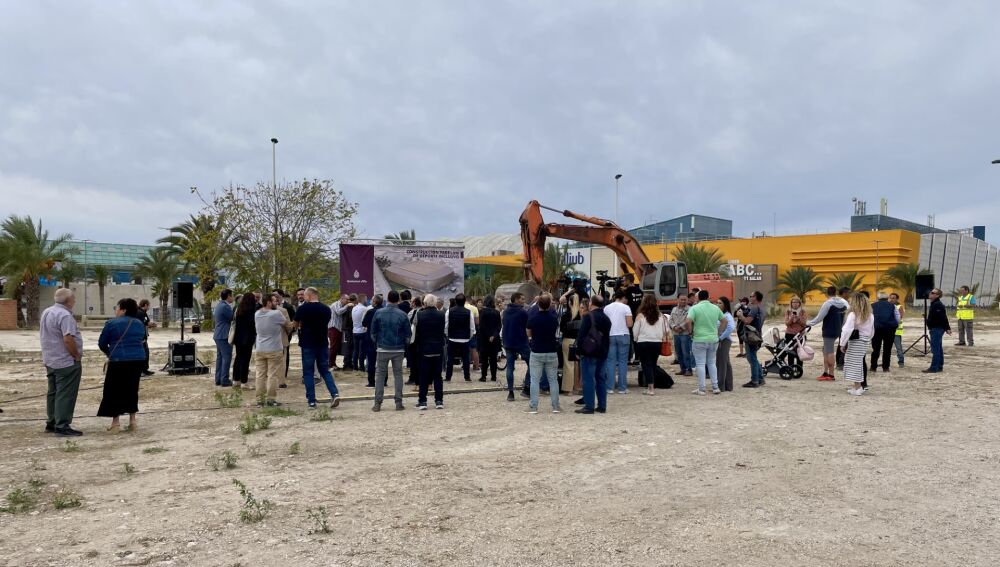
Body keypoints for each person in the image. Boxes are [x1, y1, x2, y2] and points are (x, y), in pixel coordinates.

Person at [97, 298, 148, 432]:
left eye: (117, 308)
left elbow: (102, 343)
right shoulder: (139, 324)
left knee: (114, 390)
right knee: (132, 389)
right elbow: (143, 339)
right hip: (137, 360)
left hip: (118, 360)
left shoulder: (111, 323)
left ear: (123, 310)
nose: (116, 310)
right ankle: (132, 421)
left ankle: (116, 423)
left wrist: (110, 354)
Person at [39, 288, 84, 436]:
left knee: (53, 392)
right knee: (66, 393)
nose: (75, 301)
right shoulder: (65, 315)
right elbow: (68, 338)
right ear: (68, 301)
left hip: (50, 359)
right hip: (65, 361)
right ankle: (62, 425)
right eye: (74, 299)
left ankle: (51, 422)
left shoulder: (47, 311)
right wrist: (76, 355)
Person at [294, 287, 342, 409]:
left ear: (309, 296)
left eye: (304, 296)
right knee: (325, 370)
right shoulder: (326, 309)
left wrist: (301, 325)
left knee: (308, 373)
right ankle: (334, 393)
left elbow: (296, 324)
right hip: (322, 343)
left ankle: (311, 401)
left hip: (307, 343)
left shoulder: (302, 308)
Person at [370, 290, 412, 412]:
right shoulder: (402, 314)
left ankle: (377, 403)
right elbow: (408, 335)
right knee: (398, 375)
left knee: (380, 376)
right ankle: (398, 403)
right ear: (398, 299)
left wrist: (377, 343)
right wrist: (404, 345)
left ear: (387, 299)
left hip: (382, 348)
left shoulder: (378, 312)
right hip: (398, 349)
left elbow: (373, 332)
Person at [255, 293, 294, 406]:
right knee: (272, 375)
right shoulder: (276, 313)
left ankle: (259, 400)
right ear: (268, 302)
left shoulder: (257, 314)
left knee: (260, 375)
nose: (276, 303)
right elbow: (288, 326)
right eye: (274, 301)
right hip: (274, 348)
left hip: (260, 348)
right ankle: (271, 399)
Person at [574, 295, 611, 414]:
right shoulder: (606, 318)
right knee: (601, 379)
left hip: (589, 352)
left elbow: (581, 335)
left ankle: (589, 406)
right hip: (603, 352)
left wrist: (579, 351)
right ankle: (602, 406)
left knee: (589, 379)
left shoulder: (588, 317)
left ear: (591, 303)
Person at [525, 293, 561, 414]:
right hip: (551, 350)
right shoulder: (553, 318)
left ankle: (533, 406)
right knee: (553, 380)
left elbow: (529, 333)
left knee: (534, 380)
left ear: (538, 304)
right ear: (549, 304)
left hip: (537, 351)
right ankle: (556, 406)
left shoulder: (533, 318)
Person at [686, 289, 725, 395]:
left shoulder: (694, 308)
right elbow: (724, 321)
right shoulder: (715, 308)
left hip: (699, 339)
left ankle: (702, 388)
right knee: (712, 363)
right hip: (713, 339)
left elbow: (688, 321)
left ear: (698, 298)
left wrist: (690, 332)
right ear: (708, 297)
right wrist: (718, 332)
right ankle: (715, 387)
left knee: (700, 364)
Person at [807, 287, 849, 381]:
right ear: (836, 293)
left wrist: (808, 324)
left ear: (826, 294)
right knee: (825, 350)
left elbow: (819, 318)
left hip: (828, 330)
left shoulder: (827, 304)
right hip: (838, 330)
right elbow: (845, 318)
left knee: (829, 352)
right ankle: (826, 372)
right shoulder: (843, 304)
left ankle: (831, 375)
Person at [413, 294, 446, 409]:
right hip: (438, 349)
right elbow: (444, 330)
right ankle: (439, 401)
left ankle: (423, 401)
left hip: (424, 349)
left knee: (423, 376)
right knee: (438, 376)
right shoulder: (442, 314)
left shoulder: (419, 314)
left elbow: (415, 330)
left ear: (425, 303)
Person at [632, 293, 669, 396]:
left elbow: (635, 331)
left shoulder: (640, 316)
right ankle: (652, 384)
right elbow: (666, 330)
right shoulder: (661, 316)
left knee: (646, 364)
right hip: (657, 342)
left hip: (643, 342)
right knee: (653, 364)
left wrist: (636, 339)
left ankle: (650, 387)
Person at [840, 292, 874, 396]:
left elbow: (847, 330)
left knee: (854, 364)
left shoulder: (853, 314)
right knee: (858, 364)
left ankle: (858, 387)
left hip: (855, 341)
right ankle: (857, 386)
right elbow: (872, 331)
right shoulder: (870, 315)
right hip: (864, 341)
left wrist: (842, 343)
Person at [559, 279, 587, 394]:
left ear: (569, 303)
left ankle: (568, 388)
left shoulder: (567, 315)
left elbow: (561, 329)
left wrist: (569, 291)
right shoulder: (582, 314)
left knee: (568, 364)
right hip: (579, 340)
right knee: (578, 365)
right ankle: (578, 386)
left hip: (568, 340)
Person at [502, 292, 531, 401]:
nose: (524, 301)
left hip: (508, 342)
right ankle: (527, 387)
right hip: (521, 342)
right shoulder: (522, 312)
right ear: (516, 300)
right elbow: (528, 326)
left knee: (510, 367)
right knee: (532, 363)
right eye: (522, 299)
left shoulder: (505, 312)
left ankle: (510, 393)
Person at [603, 290, 633, 394]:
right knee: (622, 362)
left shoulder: (607, 308)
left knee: (610, 362)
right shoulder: (626, 308)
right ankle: (622, 387)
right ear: (623, 298)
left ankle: (609, 387)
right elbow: (629, 324)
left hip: (610, 335)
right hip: (623, 334)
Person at [445, 293, 476, 382]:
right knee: (466, 358)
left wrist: (447, 335)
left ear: (455, 301)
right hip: (465, 338)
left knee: (450, 358)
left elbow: (446, 326)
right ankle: (467, 376)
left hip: (452, 338)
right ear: (464, 302)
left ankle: (448, 377)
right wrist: (469, 337)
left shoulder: (449, 311)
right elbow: (472, 327)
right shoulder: (468, 312)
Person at [231, 293, 258, 389]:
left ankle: (235, 380)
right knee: (246, 360)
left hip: (238, 338)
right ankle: (244, 382)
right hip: (247, 339)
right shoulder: (251, 310)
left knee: (238, 359)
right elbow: (252, 325)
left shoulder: (238, 309)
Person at [739, 291, 765, 388]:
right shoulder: (762, 308)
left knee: (751, 358)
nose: (750, 297)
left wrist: (740, 315)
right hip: (758, 335)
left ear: (756, 297)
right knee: (753, 357)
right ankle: (760, 378)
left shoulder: (754, 308)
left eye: (752, 296)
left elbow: (747, 321)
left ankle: (754, 380)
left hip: (751, 336)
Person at [870, 292, 900, 373]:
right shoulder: (893, 306)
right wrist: (895, 326)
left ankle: (873, 367)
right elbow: (897, 317)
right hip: (889, 329)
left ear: (878, 298)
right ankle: (885, 367)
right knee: (887, 349)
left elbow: (870, 318)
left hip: (876, 329)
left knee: (875, 349)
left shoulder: (872, 306)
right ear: (887, 298)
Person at [924, 288, 951, 373]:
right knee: (938, 348)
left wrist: (947, 328)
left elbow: (943, 317)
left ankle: (934, 367)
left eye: (932, 293)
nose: (930, 293)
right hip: (935, 328)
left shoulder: (937, 305)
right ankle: (939, 366)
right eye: (930, 292)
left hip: (937, 329)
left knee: (935, 349)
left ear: (937, 295)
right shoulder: (934, 304)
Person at [212, 289, 235, 387]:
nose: (233, 298)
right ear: (228, 296)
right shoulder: (225, 307)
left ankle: (218, 379)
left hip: (218, 334)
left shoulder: (219, 305)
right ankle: (224, 379)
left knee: (220, 358)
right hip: (223, 335)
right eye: (232, 296)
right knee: (227, 357)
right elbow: (233, 318)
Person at [478, 295, 502, 382]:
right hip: (494, 339)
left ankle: (483, 376)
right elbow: (499, 326)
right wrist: (493, 335)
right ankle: (493, 376)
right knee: (493, 358)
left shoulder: (482, 312)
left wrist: (488, 335)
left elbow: (481, 326)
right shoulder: (496, 312)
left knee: (484, 358)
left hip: (484, 338)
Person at [668, 295, 693, 376]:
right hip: (676, 334)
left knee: (686, 352)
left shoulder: (690, 309)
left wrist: (681, 327)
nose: (683, 301)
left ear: (687, 300)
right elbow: (670, 320)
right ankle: (682, 369)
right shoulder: (674, 309)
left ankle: (688, 369)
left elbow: (689, 320)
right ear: (678, 300)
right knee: (678, 352)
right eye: (681, 299)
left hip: (685, 334)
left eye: (685, 300)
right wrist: (674, 327)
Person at [715, 296, 736, 392]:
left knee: (721, 363)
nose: (717, 304)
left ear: (725, 305)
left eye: (720, 303)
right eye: (717, 302)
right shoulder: (720, 315)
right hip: (721, 340)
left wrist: (720, 338)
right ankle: (728, 385)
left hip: (724, 341)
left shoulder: (727, 316)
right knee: (726, 363)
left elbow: (730, 328)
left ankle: (721, 386)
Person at [362, 295, 383, 387]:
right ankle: (383, 381)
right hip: (382, 339)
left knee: (371, 361)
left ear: (375, 302)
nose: (371, 301)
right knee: (382, 362)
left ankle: (371, 381)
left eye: (372, 300)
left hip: (371, 339)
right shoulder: (384, 311)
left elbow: (364, 323)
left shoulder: (370, 312)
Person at [328, 294, 354, 370]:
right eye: (347, 299)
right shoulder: (335, 304)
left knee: (336, 347)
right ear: (342, 299)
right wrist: (347, 306)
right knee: (333, 347)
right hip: (333, 328)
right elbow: (338, 312)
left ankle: (333, 363)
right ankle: (330, 364)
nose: (348, 301)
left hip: (338, 329)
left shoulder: (342, 305)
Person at [783, 296, 807, 368]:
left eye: (796, 302)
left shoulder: (803, 312)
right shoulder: (788, 311)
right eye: (793, 302)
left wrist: (798, 318)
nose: (795, 304)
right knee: (790, 352)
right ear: (791, 303)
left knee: (800, 352)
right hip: (790, 334)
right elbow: (787, 323)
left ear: (799, 303)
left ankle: (799, 368)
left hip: (800, 334)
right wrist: (791, 318)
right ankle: (790, 367)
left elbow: (804, 323)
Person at [136, 299, 156, 377]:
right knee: (144, 353)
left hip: (142, 336)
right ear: (145, 305)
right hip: (140, 337)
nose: (149, 307)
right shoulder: (140, 313)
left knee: (145, 353)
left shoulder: (141, 312)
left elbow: (146, 323)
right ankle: (142, 370)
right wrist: (152, 324)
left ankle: (144, 370)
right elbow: (144, 323)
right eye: (148, 305)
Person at [351, 294, 370, 373]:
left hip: (355, 331)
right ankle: (361, 367)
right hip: (362, 331)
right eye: (366, 299)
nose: (366, 301)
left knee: (355, 350)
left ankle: (355, 367)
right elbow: (365, 321)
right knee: (362, 350)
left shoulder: (354, 308)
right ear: (363, 299)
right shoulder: (365, 309)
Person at [342, 294, 357, 371]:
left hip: (346, 328)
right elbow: (351, 318)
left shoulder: (347, 306)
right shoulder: (351, 307)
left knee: (349, 346)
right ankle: (347, 364)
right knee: (349, 346)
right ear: (355, 300)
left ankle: (348, 363)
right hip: (349, 329)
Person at [890, 293, 905, 367]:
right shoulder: (888, 306)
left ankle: (901, 362)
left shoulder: (900, 307)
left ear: (897, 299)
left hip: (896, 331)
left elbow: (900, 317)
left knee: (899, 348)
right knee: (887, 348)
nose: (892, 299)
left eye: (893, 298)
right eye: (891, 298)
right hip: (889, 330)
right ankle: (886, 361)